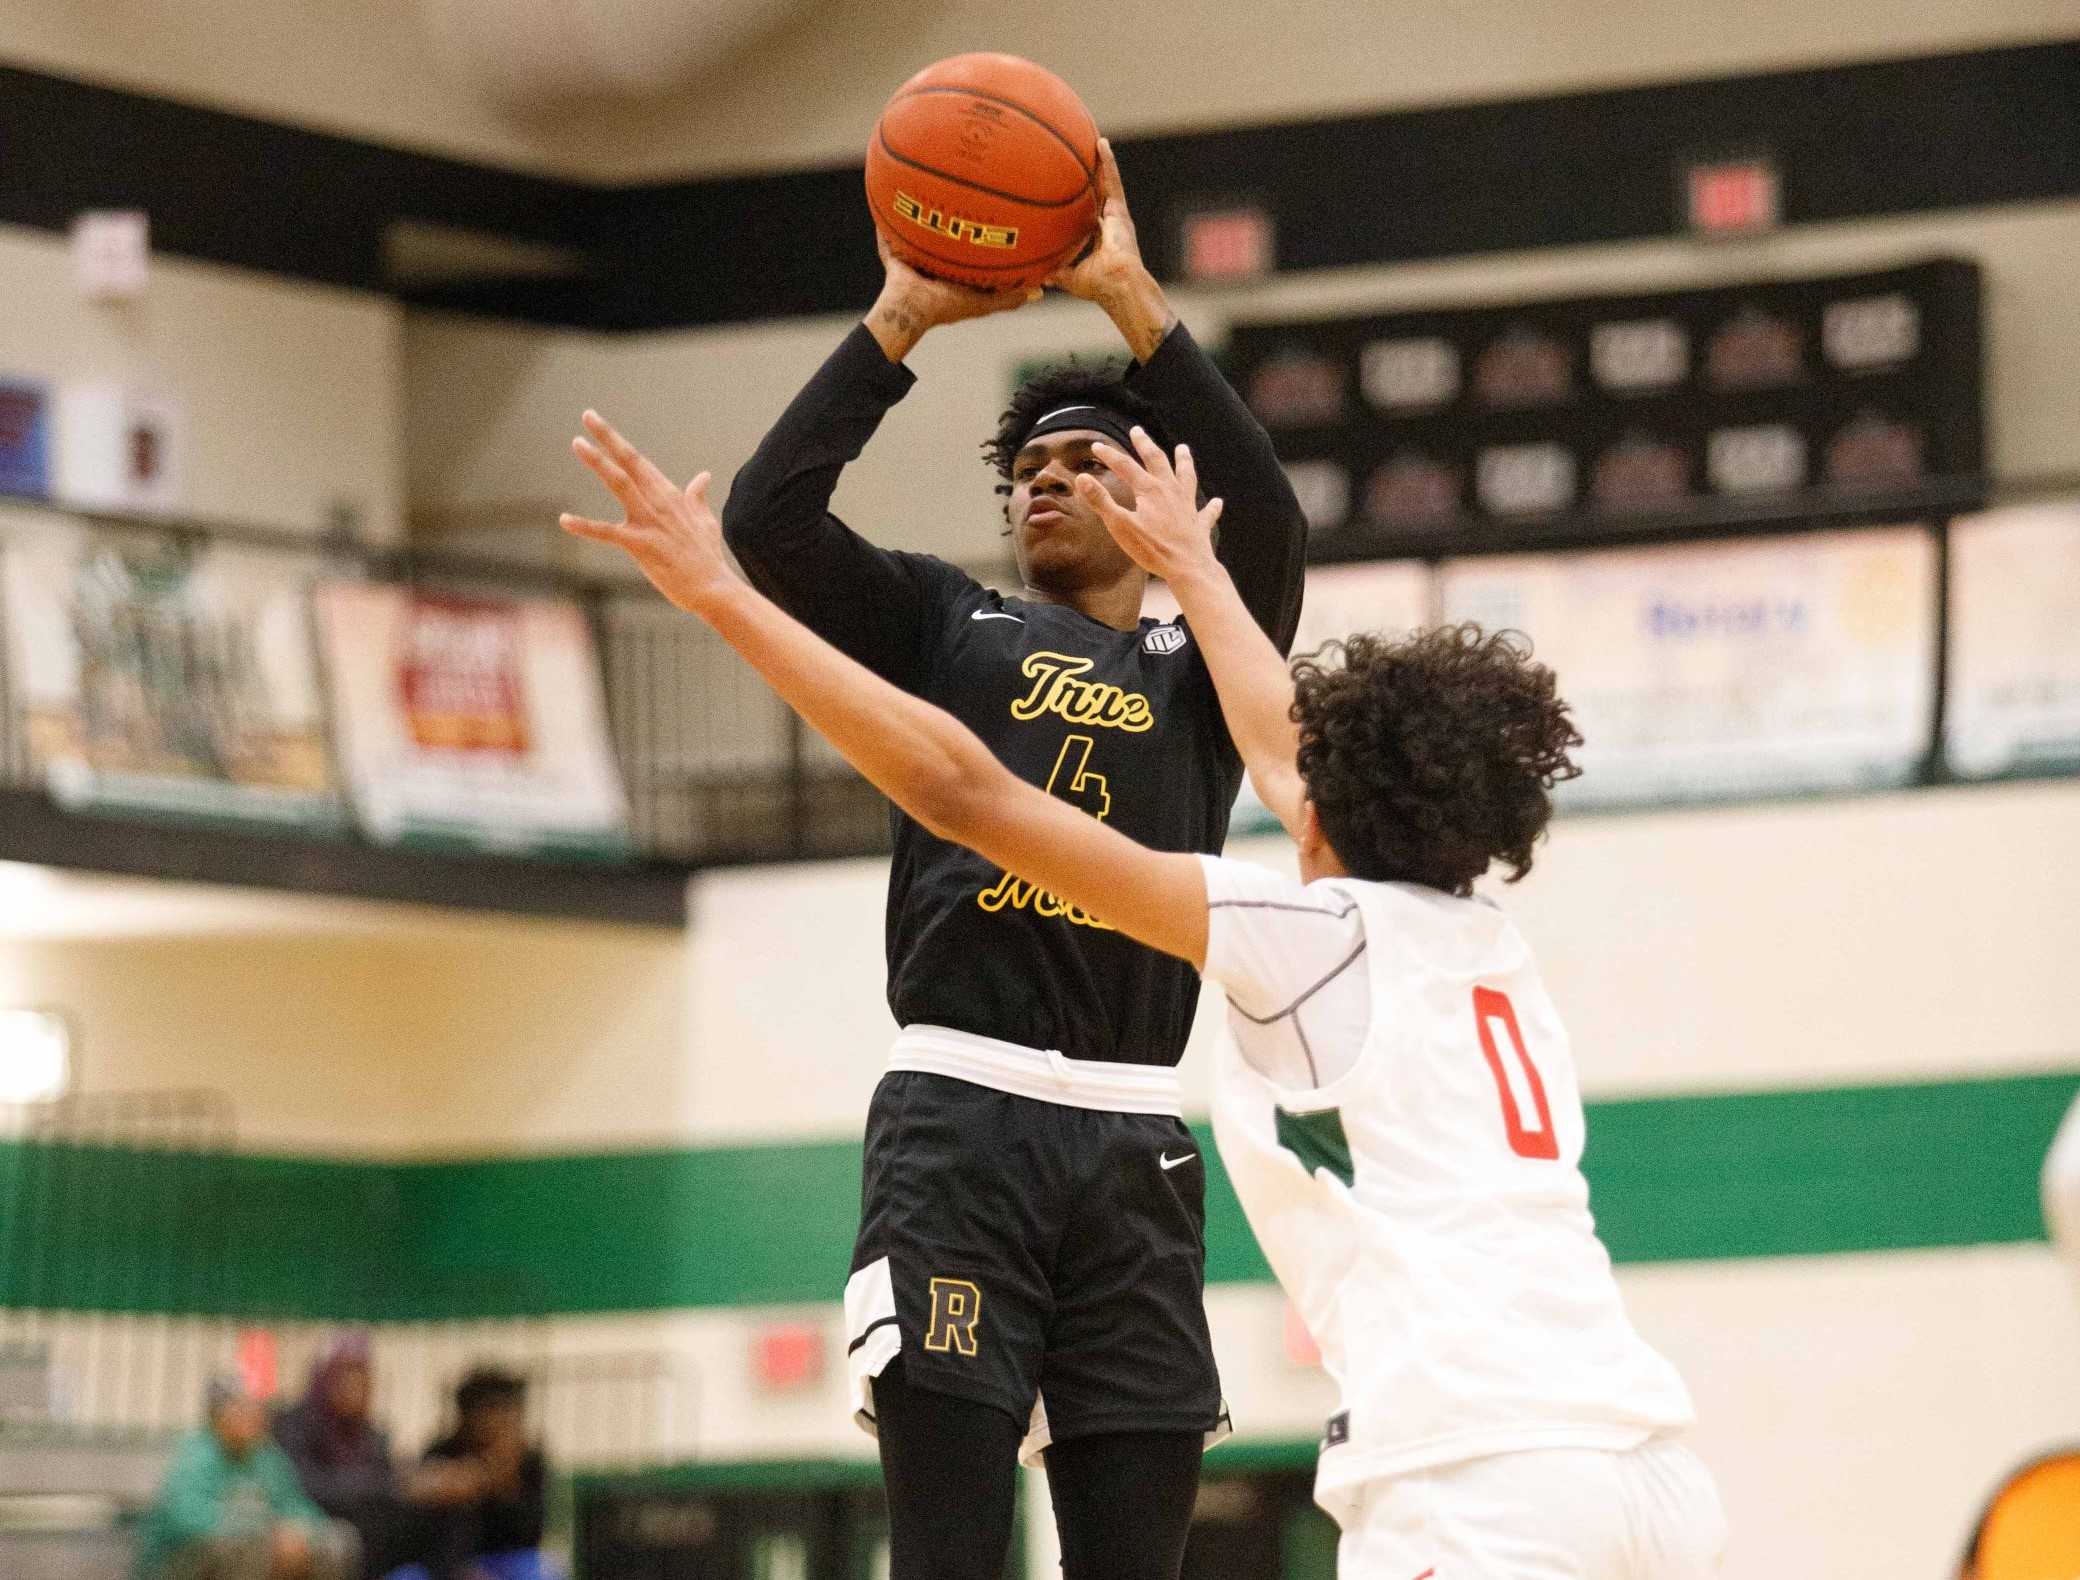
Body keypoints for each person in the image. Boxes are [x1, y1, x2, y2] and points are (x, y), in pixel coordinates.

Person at [562, 421, 1726, 1578]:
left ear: (1320, 809)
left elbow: (967, 791)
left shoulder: (1307, 938)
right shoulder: (1489, 948)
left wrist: (722, 595)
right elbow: (1285, 753)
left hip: (1480, 1478)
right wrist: (1198, 569)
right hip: (1648, 1465)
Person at [688, 135, 1305, 1579]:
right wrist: (899, 317)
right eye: (1024, 468)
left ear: (1156, 500)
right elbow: (767, 522)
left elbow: (1267, 525)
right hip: (961, 1117)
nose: (1041, 484)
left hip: (1138, 1131)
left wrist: (1133, 297)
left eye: (1082, 462)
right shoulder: (943, 623)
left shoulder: (1203, 659)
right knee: (950, 1557)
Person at [273, 1334, 479, 1580]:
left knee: (447, 1511)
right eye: (346, 1379)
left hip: (374, 1527)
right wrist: (398, 1486)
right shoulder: (293, 1426)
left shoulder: (372, 1436)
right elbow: (309, 1487)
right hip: (321, 1522)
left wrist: (430, 1484)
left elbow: (388, 1480)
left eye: (364, 1380)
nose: (356, 1390)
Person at [137, 1376, 357, 1580]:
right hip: (181, 1562)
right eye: (243, 1408)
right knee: (248, 1546)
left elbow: (295, 1505)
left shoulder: (265, 1457)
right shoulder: (197, 1456)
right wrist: (267, 1532)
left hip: (263, 1546)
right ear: (218, 1414)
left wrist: (301, 1532)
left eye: (258, 1409)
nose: (254, 1416)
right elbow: (187, 1520)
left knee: (337, 1540)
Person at [411, 1368, 551, 1580]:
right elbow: (424, 1527)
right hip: (446, 1563)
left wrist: (505, 1485)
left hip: (508, 1560)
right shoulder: (443, 1454)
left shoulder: (527, 1461)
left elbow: (531, 1532)